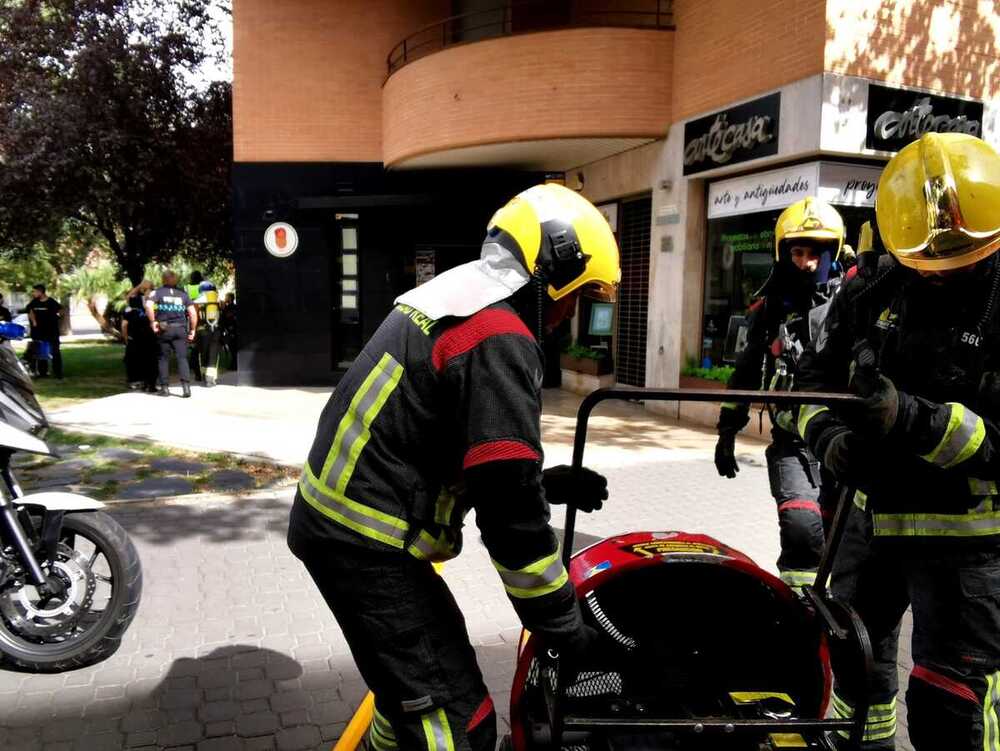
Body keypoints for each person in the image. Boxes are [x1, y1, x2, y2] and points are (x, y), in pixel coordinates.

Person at [286, 184, 621, 751]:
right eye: (580, 295)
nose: (571, 317)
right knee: (453, 720)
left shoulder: (457, 295)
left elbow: (438, 437)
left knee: (405, 700)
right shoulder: (499, 336)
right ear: (555, 267)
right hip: (366, 545)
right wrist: (562, 624)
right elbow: (511, 522)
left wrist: (539, 483)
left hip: (346, 529)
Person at [796, 132, 1000, 750]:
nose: (945, 269)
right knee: (854, 675)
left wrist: (908, 418)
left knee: (951, 703)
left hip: (966, 548)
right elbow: (808, 384)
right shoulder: (873, 290)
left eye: (964, 256)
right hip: (867, 531)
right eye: (929, 259)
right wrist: (829, 435)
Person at [713, 197, 846, 590]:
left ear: (832, 252)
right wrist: (727, 430)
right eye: (797, 251)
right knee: (802, 528)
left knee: (839, 532)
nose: (805, 262)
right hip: (792, 440)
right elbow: (746, 370)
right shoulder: (770, 308)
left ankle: (836, 610)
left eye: (814, 253)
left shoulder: (854, 302)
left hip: (844, 441)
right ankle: (801, 605)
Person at [146, 270, 197, 398]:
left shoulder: (157, 292)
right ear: (175, 280)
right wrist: (193, 330)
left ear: (163, 280)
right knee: (182, 358)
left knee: (163, 359)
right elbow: (193, 313)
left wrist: (153, 322)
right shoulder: (183, 294)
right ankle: (186, 389)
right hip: (180, 330)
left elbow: (148, 305)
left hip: (164, 330)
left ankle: (165, 389)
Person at [189, 273, 223, 387]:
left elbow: (194, 316)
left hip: (201, 330)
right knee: (213, 353)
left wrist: (192, 330)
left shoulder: (197, 300)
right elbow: (222, 311)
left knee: (202, 353)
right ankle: (210, 378)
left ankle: (203, 375)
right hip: (215, 329)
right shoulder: (218, 299)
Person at [121, 293, 158, 393]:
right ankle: (150, 383)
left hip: (134, 340)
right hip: (149, 339)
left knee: (135, 361)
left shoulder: (128, 312)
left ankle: (137, 381)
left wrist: (125, 338)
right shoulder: (148, 311)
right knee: (150, 361)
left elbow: (124, 326)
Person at [25, 284, 63, 379]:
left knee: (55, 352)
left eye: (34, 291)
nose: (33, 293)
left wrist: (57, 318)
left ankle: (58, 373)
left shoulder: (51, 302)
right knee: (40, 352)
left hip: (52, 332)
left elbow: (61, 311)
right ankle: (43, 373)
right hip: (38, 332)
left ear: (40, 292)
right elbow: (29, 310)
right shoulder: (34, 302)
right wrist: (34, 321)